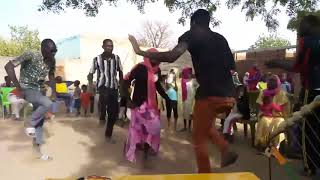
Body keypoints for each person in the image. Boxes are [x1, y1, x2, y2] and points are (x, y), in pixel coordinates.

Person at [128, 9, 238, 173]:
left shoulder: (192, 34)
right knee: (205, 124)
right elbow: (232, 66)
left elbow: (172, 56)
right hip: (228, 95)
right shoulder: (221, 38)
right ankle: (225, 149)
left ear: (193, 22)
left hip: (209, 94)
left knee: (199, 138)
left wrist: (139, 51)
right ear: (208, 22)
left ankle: (205, 175)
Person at [265, 15, 320, 176]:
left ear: (308, 26)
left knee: (307, 130)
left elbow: (297, 66)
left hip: (312, 90)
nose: (299, 29)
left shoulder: (307, 42)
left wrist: (276, 63)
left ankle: (310, 167)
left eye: (301, 26)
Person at [5, 39, 57, 160]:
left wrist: (54, 91)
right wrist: (18, 87)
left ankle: (36, 152)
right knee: (47, 103)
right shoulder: (31, 54)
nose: (54, 54)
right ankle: (29, 122)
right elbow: (8, 66)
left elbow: (52, 75)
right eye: (52, 51)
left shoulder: (51, 60)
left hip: (38, 91)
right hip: (26, 88)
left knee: (39, 123)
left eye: (55, 51)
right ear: (43, 49)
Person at [122, 48, 171, 163]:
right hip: (138, 104)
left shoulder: (157, 70)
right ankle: (137, 147)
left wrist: (167, 98)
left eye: (157, 57)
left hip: (152, 104)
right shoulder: (139, 67)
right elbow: (125, 82)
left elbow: (158, 86)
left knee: (153, 127)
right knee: (137, 128)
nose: (155, 59)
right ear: (147, 57)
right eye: (152, 57)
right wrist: (127, 99)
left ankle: (146, 149)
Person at [88, 39, 123, 143]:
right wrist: (90, 85)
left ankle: (108, 134)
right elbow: (90, 73)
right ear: (103, 46)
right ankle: (102, 116)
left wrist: (121, 85)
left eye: (111, 46)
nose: (110, 48)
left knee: (114, 113)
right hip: (102, 87)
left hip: (114, 88)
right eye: (107, 46)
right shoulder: (97, 59)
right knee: (104, 98)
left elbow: (121, 72)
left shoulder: (116, 58)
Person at [255, 75, 288, 149]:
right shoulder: (263, 92)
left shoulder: (282, 94)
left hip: (278, 116)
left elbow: (282, 109)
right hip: (266, 115)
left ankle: (276, 147)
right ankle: (263, 144)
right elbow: (260, 105)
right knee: (264, 121)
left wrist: (272, 104)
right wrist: (265, 106)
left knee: (278, 124)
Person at [180, 67, 196, 132]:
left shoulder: (193, 80)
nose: (189, 74)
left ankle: (189, 127)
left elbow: (197, 87)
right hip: (185, 100)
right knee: (184, 113)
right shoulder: (182, 80)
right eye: (188, 73)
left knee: (190, 113)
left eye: (190, 73)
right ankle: (185, 127)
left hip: (191, 100)